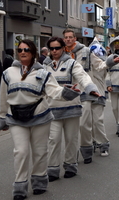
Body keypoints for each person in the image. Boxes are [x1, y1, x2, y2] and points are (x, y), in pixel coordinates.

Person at [0, 39, 80, 200]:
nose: (23, 52)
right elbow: (3, 97)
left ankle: (39, 181)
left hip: (40, 116)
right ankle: (20, 185)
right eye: (20, 50)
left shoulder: (43, 73)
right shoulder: (8, 73)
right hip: (16, 118)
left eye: (26, 49)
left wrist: (67, 92)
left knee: (40, 152)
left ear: (33, 53)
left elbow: (54, 91)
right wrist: (2, 117)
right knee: (21, 151)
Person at [43, 36, 99, 180]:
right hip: (53, 109)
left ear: (63, 48)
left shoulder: (72, 63)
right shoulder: (45, 66)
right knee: (53, 140)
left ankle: (70, 165)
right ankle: (53, 169)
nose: (54, 51)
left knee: (71, 139)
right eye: (51, 48)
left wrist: (90, 88)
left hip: (71, 108)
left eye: (57, 48)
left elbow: (82, 77)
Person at [62, 29, 109, 164]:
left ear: (75, 38)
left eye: (71, 37)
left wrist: (110, 62)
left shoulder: (87, 52)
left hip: (87, 90)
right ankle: (87, 147)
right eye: (66, 37)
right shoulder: (62, 53)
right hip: (71, 93)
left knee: (90, 122)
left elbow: (99, 64)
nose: (68, 39)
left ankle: (97, 146)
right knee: (80, 125)